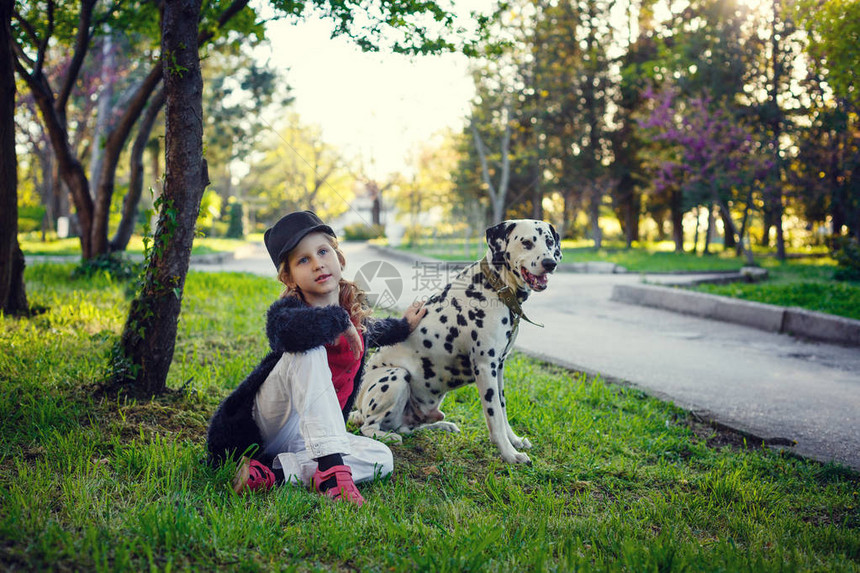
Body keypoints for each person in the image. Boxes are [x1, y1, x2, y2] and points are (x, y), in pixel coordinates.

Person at [206, 211, 426, 506]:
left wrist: (404, 325)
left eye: (323, 251)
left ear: (339, 258)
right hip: (268, 426)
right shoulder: (287, 313)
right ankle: (334, 474)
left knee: (381, 458)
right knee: (310, 349)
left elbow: (374, 332)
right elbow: (289, 335)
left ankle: (275, 473)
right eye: (303, 260)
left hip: (311, 438)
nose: (318, 263)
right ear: (289, 277)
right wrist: (338, 320)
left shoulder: (354, 320)